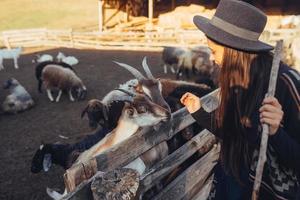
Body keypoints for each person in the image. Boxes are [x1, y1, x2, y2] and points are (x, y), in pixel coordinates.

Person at [180, 0, 300, 199]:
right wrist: (199, 112)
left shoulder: (286, 84)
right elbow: (232, 133)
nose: (211, 58)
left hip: (267, 192)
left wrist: (276, 132)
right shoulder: (236, 79)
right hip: (233, 179)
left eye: (214, 51)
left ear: (234, 50)